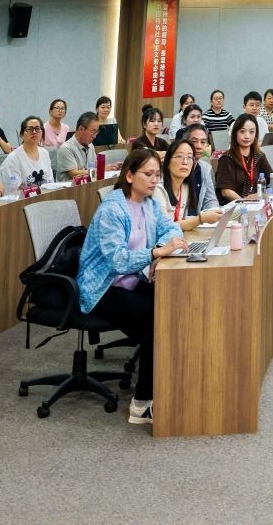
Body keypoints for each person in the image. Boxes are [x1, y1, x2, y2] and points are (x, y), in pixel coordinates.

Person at [79, 148, 188, 426]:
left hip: (131, 279)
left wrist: (160, 247)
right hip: (102, 288)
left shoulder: (148, 204)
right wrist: (155, 253)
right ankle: (142, 403)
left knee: (173, 303)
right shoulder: (113, 209)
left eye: (157, 174)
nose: (154, 180)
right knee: (156, 321)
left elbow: (172, 229)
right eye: (148, 174)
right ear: (129, 176)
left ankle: (168, 383)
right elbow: (116, 260)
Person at [156, 137, 223, 232]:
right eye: (179, 156)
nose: (185, 162)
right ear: (168, 162)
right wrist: (200, 219)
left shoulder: (185, 187)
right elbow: (165, 228)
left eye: (189, 157)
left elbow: (180, 222)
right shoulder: (158, 189)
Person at [214, 114, 273, 202]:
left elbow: (271, 177)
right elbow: (226, 192)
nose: (247, 136)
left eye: (251, 132)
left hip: (255, 203)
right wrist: (244, 202)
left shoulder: (259, 156)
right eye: (242, 131)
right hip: (234, 206)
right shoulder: (227, 158)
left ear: (256, 134)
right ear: (235, 133)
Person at [0, 116, 54, 195]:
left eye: (37, 128)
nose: (34, 132)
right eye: (30, 129)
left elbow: (50, 183)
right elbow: (13, 189)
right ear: (22, 134)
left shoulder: (45, 153)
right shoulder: (13, 159)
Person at [52, 111, 102, 181]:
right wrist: (99, 170)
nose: (94, 136)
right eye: (93, 131)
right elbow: (73, 174)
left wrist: (106, 168)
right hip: (69, 187)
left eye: (96, 132)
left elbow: (94, 166)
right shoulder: (66, 148)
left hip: (87, 185)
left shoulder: (90, 146)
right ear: (81, 128)